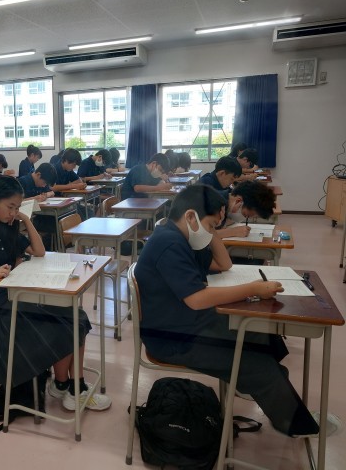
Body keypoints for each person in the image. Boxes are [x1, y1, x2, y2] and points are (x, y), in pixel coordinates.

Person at [134, 185, 319, 437]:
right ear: (191, 217)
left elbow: (224, 264)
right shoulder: (169, 243)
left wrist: (212, 232)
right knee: (256, 361)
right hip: (172, 339)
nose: (212, 231)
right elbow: (197, 299)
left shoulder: (181, 236)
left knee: (261, 332)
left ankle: (268, 386)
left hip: (185, 323)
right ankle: (297, 425)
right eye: (211, 225)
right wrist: (252, 288)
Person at [0, 176, 111, 411]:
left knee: (73, 315)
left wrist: (25, 217)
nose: (13, 213)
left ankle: (65, 385)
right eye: (10, 207)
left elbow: (39, 251)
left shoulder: (7, 227)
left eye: (17, 208)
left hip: (12, 300)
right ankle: (72, 388)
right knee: (70, 323)